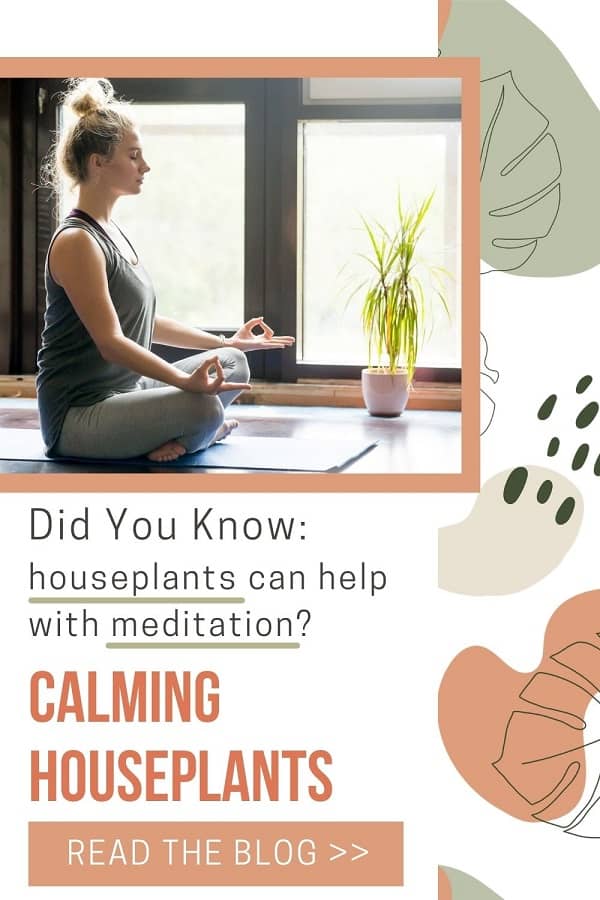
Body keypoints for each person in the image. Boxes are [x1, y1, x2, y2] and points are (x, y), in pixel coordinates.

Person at [36, 77, 294, 462]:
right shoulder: (77, 241)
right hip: (79, 415)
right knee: (203, 407)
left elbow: (147, 322)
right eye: (134, 155)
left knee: (231, 363)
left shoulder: (111, 233)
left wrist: (225, 342)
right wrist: (182, 381)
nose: (146, 166)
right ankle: (200, 432)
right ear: (99, 163)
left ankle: (187, 433)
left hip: (129, 392)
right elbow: (110, 342)